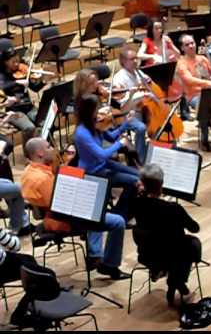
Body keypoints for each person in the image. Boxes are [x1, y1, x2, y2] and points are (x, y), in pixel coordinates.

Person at [21, 137, 130, 280]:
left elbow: (57, 187)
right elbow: (61, 206)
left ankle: (95, 255)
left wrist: (68, 163)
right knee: (117, 221)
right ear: (40, 153)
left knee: (98, 210)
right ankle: (110, 266)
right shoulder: (42, 179)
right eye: (49, 147)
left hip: (52, 216)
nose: (53, 150)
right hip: (62, 220)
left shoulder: (29, 171)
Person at [129, 163, 201, 307]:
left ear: (142, 183)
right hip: (172, 254)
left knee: (168, 243)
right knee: (192, 244)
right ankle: (175, 283)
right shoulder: (173, 208)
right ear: (161, 184)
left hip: (147, 253)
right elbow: (194, 228)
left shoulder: (136, 204)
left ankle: (163, 272)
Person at [74, 94, 140, 222]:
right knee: (134, 182)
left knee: (138, 174)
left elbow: (111, 136)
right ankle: (121, 214)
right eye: (97, 109)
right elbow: (102, 154)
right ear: (90, 111)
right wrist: (120, 144)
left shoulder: (94, 123)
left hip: (103, 164)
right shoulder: (82, 133)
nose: (100, 112)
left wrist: (126, 123)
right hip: (93, 171)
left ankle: (124, 210)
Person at [74, 68, 147, 165]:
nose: (96, 84)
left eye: (96, 80)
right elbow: (87, 123)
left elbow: (120, 108)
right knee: (118, 151)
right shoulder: (81, 102)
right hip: (100, 130)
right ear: (83, 84)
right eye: (92, 82)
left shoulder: (102, 93)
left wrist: (129, 94)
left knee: (141, 127)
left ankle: (141, 161)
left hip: (113, 119)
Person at [176, 34, 211, 151]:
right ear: (182, 48)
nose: (191, 46)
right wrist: (208, 84)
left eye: (192, 43)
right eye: (187, 44)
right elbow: (189, 80)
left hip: (210, 92)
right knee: (205, 107)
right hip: (194, 95)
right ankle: (204, 139)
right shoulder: (181, 64)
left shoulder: (202, 59)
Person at [0, 43, 37, 156]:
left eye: (17, 60)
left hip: (28, 106)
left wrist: (39, 80)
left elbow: (35, 88)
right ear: (5, 62)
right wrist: (16, 82)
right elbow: (1, 87)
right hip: (15, 110)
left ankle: (43, 150)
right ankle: (30, 156)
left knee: (44, 121)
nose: (17, 64)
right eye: (13, 62)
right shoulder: (1, 75)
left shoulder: (22, 70)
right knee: (29, 128)